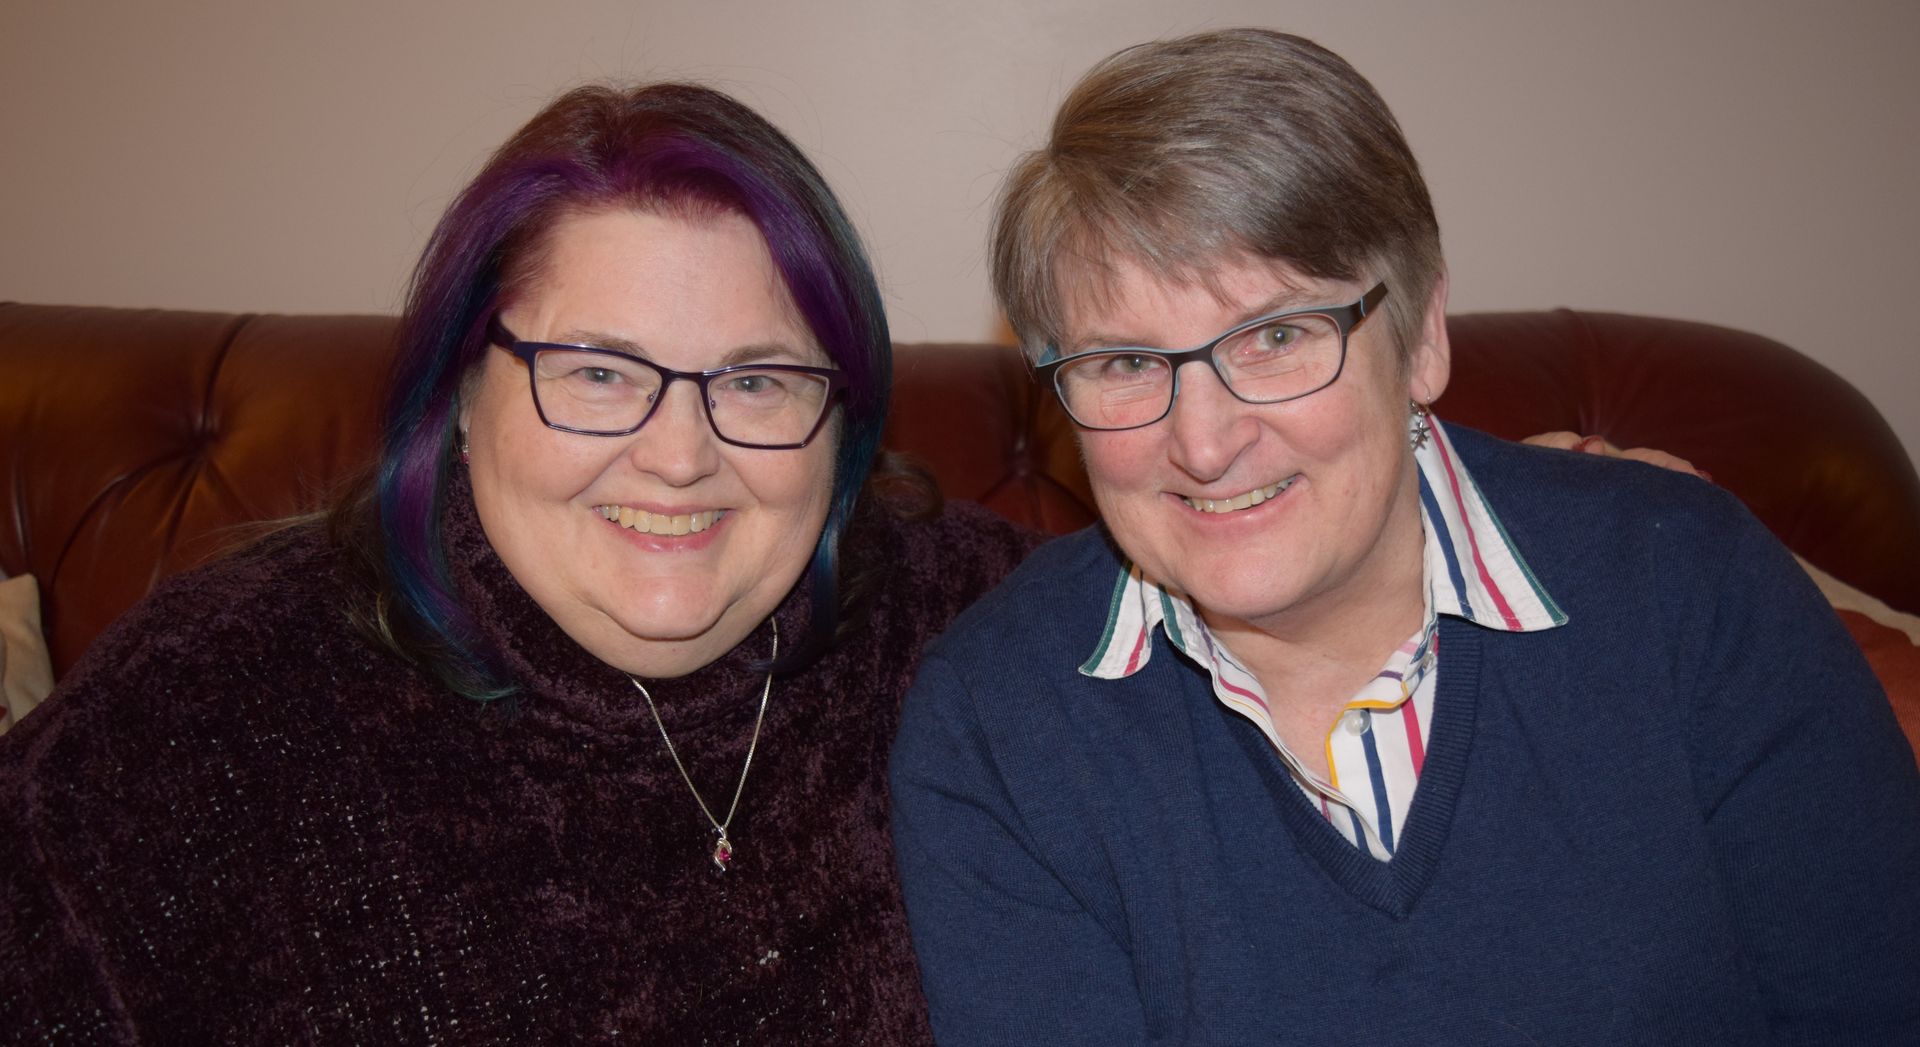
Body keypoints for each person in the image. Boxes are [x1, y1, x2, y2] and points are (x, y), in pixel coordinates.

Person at [890, 28, 1920, 1046]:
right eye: (1123, 362)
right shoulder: (997, 726)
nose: (1203, 443)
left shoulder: (1683, 581)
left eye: (1278, 336)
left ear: (1421, 335)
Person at [0, 83, 1035, 1043]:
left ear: (841, 419)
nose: (680, 456)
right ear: (460, 392)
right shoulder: (188, 717)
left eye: (757, 382)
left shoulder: (979, 622)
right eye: (598, 372)